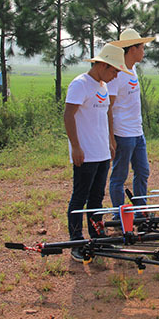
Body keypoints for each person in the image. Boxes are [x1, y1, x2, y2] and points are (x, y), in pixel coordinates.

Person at [64, 44, 133, 261]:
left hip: (102, 152)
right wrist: (75, 146)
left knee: (96, 198)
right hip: (85, 154)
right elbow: (68, 116)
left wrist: (110, 142)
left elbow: (105, 117)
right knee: (79, 198)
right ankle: (76, 241)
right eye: (114, 71)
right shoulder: (80, 85)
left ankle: (97, 236)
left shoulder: (102, 86)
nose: (115, 76)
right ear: (102, 65)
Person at [108, 28, 155, 216]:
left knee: (143, 171)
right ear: (132, 49)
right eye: (142, 47)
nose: (144, 51)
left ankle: (140, 211)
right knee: (119, 177)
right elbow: (108, 108)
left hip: (137, 131)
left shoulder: (133, 69)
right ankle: (119, 215)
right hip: (122, 133)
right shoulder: (116, 73)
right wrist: (111, 138)